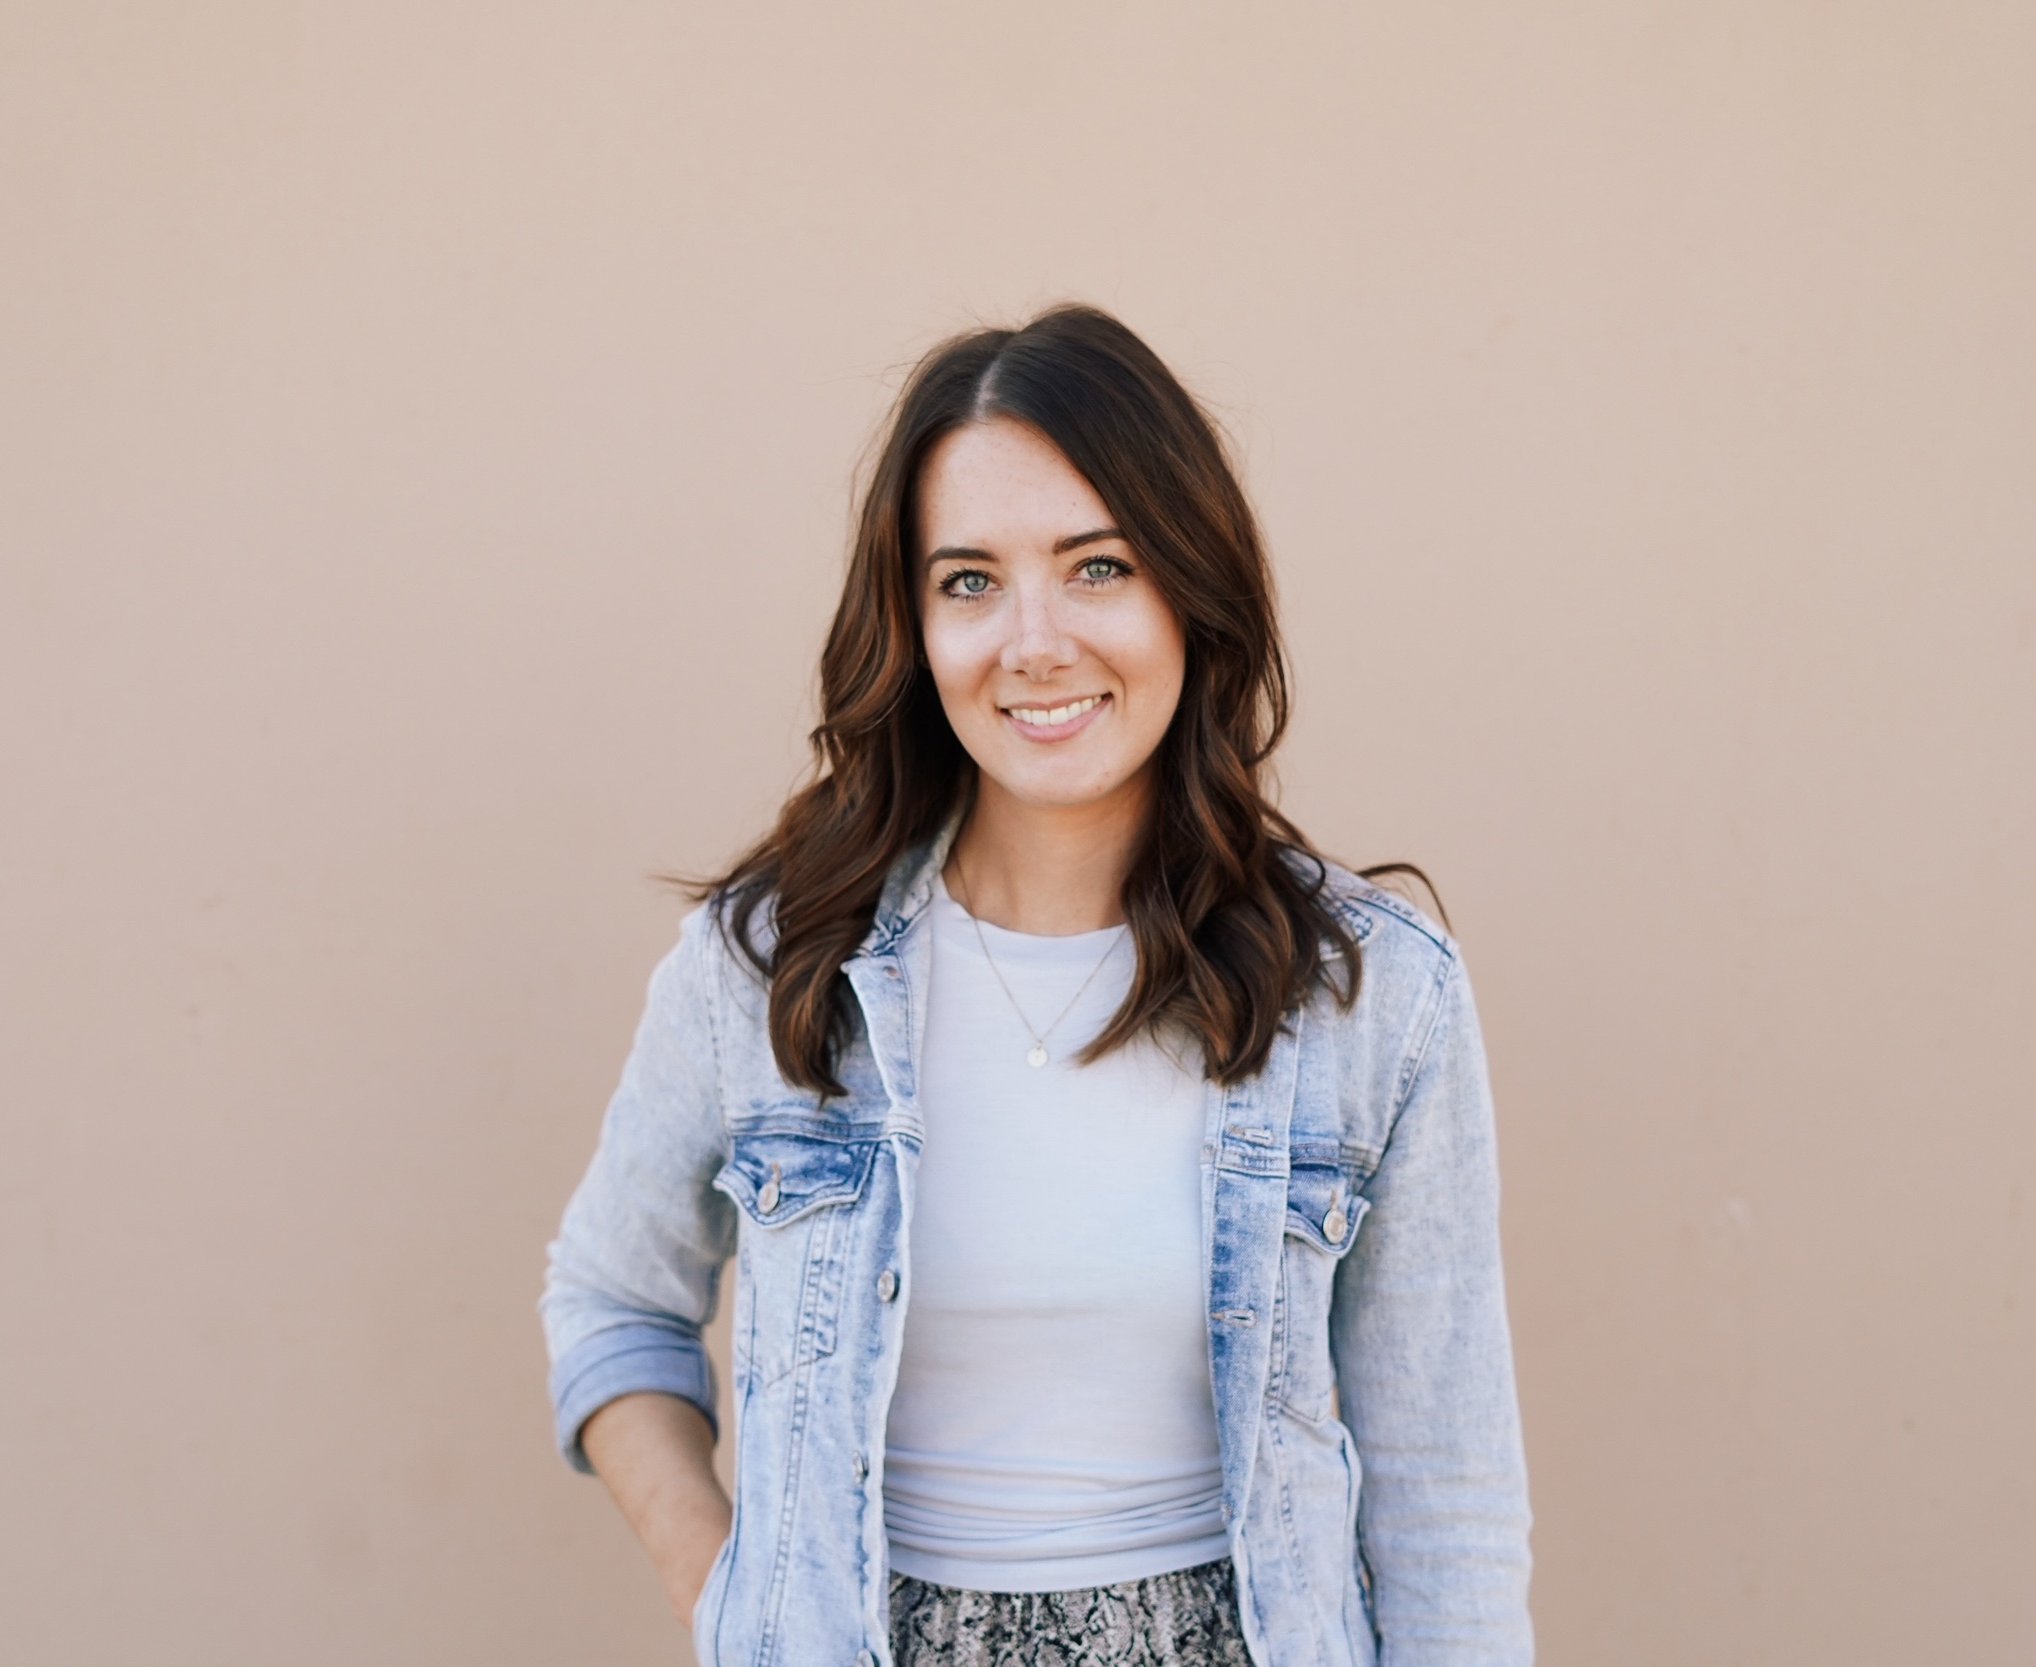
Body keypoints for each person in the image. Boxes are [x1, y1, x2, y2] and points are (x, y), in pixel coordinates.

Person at [539, 302, 1535, 1667]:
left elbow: (1449, 1499)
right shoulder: (770, 966)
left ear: (1193, 587)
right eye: (969, 581)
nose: (1035, 641)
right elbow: (611, 1300)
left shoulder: (1369, 999)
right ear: (910, 622)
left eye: (1098, 567)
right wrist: (728, 1592)